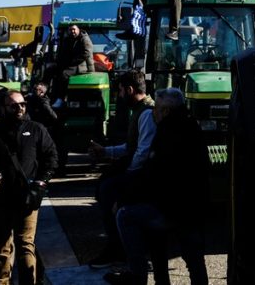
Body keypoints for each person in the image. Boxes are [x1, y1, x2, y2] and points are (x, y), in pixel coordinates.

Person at [105, 88, 210, 285]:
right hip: (195, 207)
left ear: (166, 111)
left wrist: (123, 199)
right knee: (194, 259)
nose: (154, 113)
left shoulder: (167, 132)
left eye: (157, 109)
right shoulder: (192, 127)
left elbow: (152, 174)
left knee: (125, 216)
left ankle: (137, 275)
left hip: (173, 209)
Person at [0, 90, 58, 285]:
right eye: (14, 105)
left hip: (26, 198)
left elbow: (51, 159)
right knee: (1, 249)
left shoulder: (36, 129)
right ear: (4, 108)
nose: (20, 108)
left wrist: (40, 184)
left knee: (25, 246)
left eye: (23, 104)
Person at [86, 70, 158, 268]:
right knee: (104, 185)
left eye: (120, 91)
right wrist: (105, 152)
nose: (119, 95)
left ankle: (119, 249)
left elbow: (142, 152)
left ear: (130, 90)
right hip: (139, 169)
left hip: (146, 174)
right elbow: (131, 146)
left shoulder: (147, 113)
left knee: (108, 189)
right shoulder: (139, 111)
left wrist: (128, 174)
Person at [49, 24, 94, 107]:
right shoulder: (68, 39)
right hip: (70, 64)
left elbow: (87, 53)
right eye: (70, 30)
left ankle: (61, 99)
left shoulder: (84, 39)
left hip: (81, 65)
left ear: (78, 29)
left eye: (74, 29)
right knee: (50, 70)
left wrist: (72, 61)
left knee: (64, 74)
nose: (72, 31)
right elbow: (63, 52)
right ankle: (45, 94)